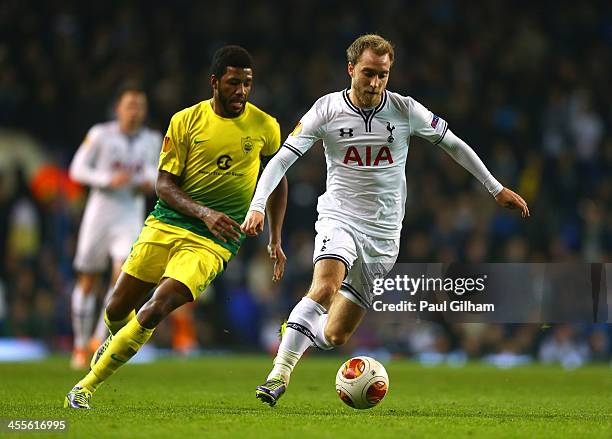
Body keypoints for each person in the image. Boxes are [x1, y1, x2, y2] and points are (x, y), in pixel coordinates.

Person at [241, 34, 530, 407]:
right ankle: (278, 374)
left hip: (383, 234)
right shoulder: (327, 109)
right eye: (367, 73)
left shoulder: (405, 110)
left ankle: (299, 327)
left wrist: (495, 189)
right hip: (339, 217)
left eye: (383, 75)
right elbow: (282, 158)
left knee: (335, 335)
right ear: (350, 69)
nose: (375, 83)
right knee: (325, 286)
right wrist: (258, 205)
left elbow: (454, 143)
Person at [64, 45, 288, 409]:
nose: (241, 92)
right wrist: (203, 212)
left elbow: (277, 178)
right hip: (167, 223)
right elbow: (164, 186)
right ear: (215, 82)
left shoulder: (265, 126)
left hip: (215, 241)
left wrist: (275, 236)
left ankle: (85, 387)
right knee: (117, 309)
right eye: (233, 83)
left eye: (247, 84)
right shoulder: (185, 121)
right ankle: (113, 339)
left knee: (157, 306)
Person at [68, 87, 161, 369]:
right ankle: (79, 344)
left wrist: (149, 182)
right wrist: (107, 179)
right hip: (100, 211)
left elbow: (158, 172)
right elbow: (77, 169)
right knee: (87, 279)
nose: (135, 111)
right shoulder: (100, 134)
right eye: (130, 105)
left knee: (121, 275)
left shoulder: (152, 139)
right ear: (118, 109)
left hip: (130, 213)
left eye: (140, 106)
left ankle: (98, 339)